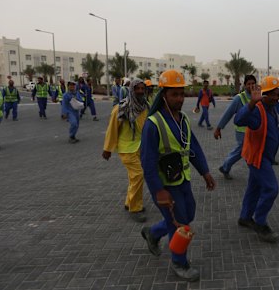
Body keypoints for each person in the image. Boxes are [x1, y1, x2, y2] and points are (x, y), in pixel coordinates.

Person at [139, 69, 216, 282]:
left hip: (182, 179)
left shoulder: (183, 120)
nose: (180, 98)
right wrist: (158, 191)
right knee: (179, 224)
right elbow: (147, 163)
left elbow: (194, 148)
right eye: (175, 94)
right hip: (165, 185)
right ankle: (179, 262)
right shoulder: (152, 124)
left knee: (188, 215)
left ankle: (153, 233)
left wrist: (205, 172)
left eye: (182, 94)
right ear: (164, 95)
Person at [234, 76, 279, 243]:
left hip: (265, 157)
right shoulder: (257, 111)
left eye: (278, 94)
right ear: (263, 94)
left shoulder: (272, 109)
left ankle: (245, 217)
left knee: (254, 189)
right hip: (257, 158)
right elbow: (238, 119)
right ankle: (260, 223)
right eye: (273, 94)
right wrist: (251, 103)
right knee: (271, 189)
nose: (276, 97)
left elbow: (273, 129)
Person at [102, 79, 150, 222]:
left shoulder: (145, 107)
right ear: (131, 90)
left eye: (142, 88)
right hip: (126, 149)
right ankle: (135, 208)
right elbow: (112, 129)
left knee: (134, 177)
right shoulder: (121, 108)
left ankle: (129, 202)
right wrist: (107, 149)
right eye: (137, 89)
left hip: (140, 148)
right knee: (138, 175)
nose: (140, 91)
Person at [214, 74, 257, 180]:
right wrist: (219, 128)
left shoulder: (257, 97)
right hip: (242, 132)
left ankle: (226, 167)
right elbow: (228, 113)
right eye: (248, 84)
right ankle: (226, 167)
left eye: (253, 83)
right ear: (244, 85)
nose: (251, 86)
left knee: (245, 152)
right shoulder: (239, 98)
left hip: (253, 131)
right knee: (243, 151)